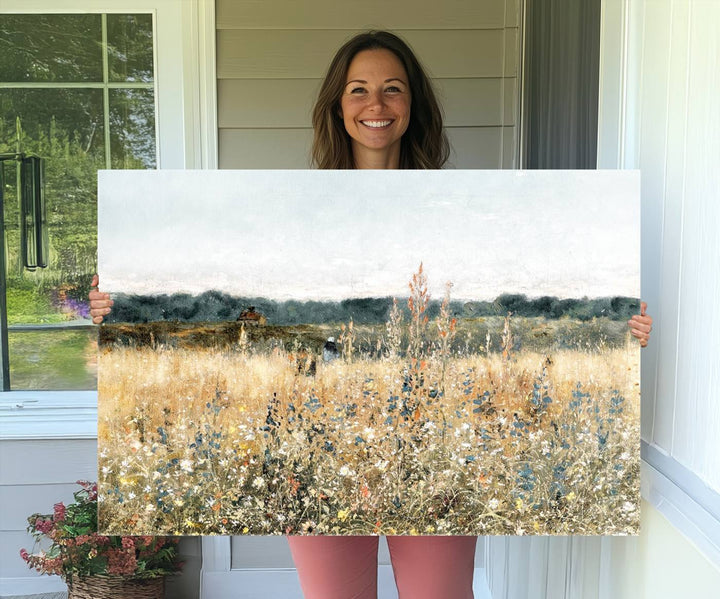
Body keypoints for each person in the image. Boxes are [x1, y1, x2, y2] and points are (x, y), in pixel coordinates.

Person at [89, 30, 653, 599]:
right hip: (318, 439)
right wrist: (125, 308)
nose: (376, 105)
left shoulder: (465, 214)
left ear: (413, 105)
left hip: (434, 438)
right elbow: (234, 304)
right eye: (358, 90)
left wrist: (612, 333)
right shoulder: (292, 215)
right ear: (338, 105)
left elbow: (512, 303)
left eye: (392, 89)